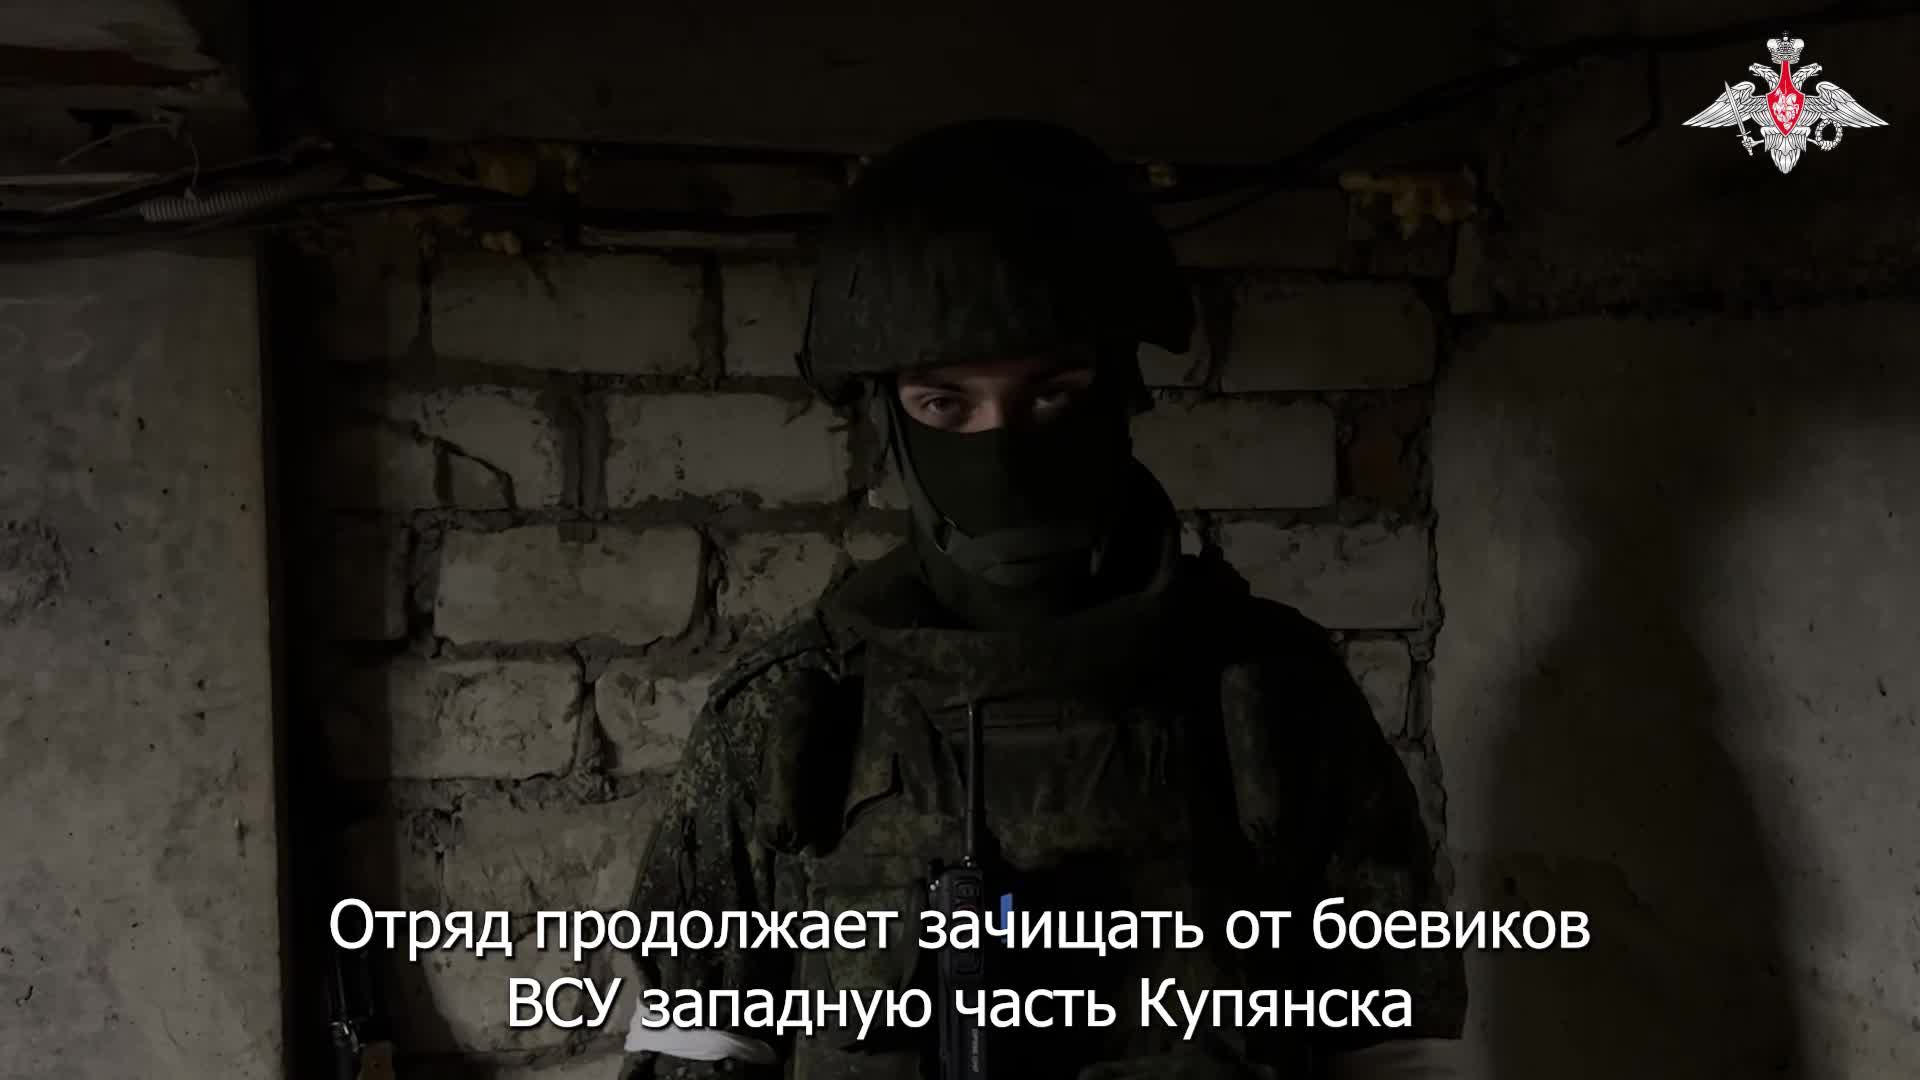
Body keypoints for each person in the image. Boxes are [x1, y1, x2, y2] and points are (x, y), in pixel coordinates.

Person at [616, 117, 1465, 1079]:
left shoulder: (1275, 696)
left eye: (1052, 393)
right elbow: (690, 1051)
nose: (1004, 447)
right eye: (945, 404)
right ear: (889, 417)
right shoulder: (784, 715)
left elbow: (1390, 1054)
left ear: (1119, 395)